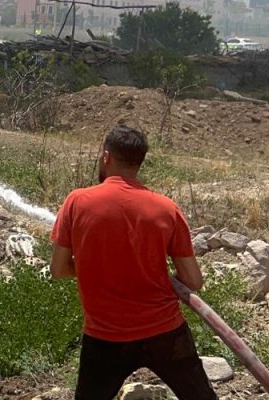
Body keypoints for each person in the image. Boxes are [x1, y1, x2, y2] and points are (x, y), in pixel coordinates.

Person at [50, 125, 214, 400]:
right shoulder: (166, 208)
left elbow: (58, 269)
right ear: (140, 162)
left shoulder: (76, 202)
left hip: (104, 337)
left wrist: (98, 266)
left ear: (106, 157)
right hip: (165, 332)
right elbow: (194, 281)